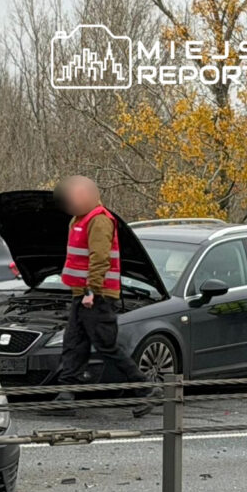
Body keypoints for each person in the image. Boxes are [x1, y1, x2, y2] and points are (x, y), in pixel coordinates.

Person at [52, 176, 162, 417]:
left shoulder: (99, 220)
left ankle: (146, 389)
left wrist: (92, 290)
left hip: (97, 295)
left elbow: (100, 258)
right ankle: (65, 396)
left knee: (105, 346)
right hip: (82, 294)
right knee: (74, 343)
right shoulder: (79, 219)